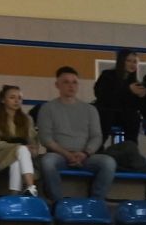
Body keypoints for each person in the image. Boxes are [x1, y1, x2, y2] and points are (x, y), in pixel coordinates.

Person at [34, 66, 116, 203]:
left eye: (74, 82)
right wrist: (67, 154)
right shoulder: (47, 108)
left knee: (108, 163)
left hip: (84, 156)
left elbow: (96, 136)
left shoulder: (90, 110)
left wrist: (85, 153)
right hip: (59, 155)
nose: (71, 86)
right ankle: (58, 202)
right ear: (57, 85)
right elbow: (45, 138)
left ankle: (95, 202)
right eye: (66, 82)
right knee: (47, 161)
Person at [0, 85, 39, 197]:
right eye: (12, 97)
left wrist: (33, 149)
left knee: (17, 157)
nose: (17, 101)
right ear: (3, 100)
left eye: (19, 98)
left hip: (22, 155)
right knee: (20, 150)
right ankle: (31, 187)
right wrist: (18, 147)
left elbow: (33, 143)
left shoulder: (27, 119)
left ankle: (14, 195)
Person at [93, 50, 146, 143]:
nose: (132, 64)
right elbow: (102, 96)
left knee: (134, 117)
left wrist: (141, 97)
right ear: (121, 61)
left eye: (135, 62)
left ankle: (130, 146)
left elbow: (135, 106)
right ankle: (97, 146)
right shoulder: (107, 75)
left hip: (124, 114)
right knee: (106, 114)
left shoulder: (135, 83)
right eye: (128, 61)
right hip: (107, 111)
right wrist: (128, 90)